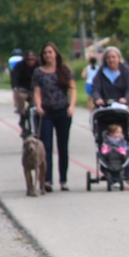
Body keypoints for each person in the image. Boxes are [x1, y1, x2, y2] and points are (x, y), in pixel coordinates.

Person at [32, 42, 77, 192]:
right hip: (46, 112)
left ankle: (63, 179)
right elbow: (37, 91)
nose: (48, 55)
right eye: (45, 53)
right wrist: (38, 106)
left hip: (62, 111)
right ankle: (47, 180)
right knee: (47, 147)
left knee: (62, 146)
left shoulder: (64, 70)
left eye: (50, 52)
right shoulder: (38, 72)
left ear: (55, 54)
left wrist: (71, 107)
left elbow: (72, 90)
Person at [11, 50, 38, 126]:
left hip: (34, 88)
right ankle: (21, 114)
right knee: (21, 99)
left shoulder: (38, 65)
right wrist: (15, 87)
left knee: (34, 105)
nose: (30, 61)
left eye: (32, 59)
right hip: (23, 87)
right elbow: (15, 77)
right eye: (28, 59)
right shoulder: (20, 65)